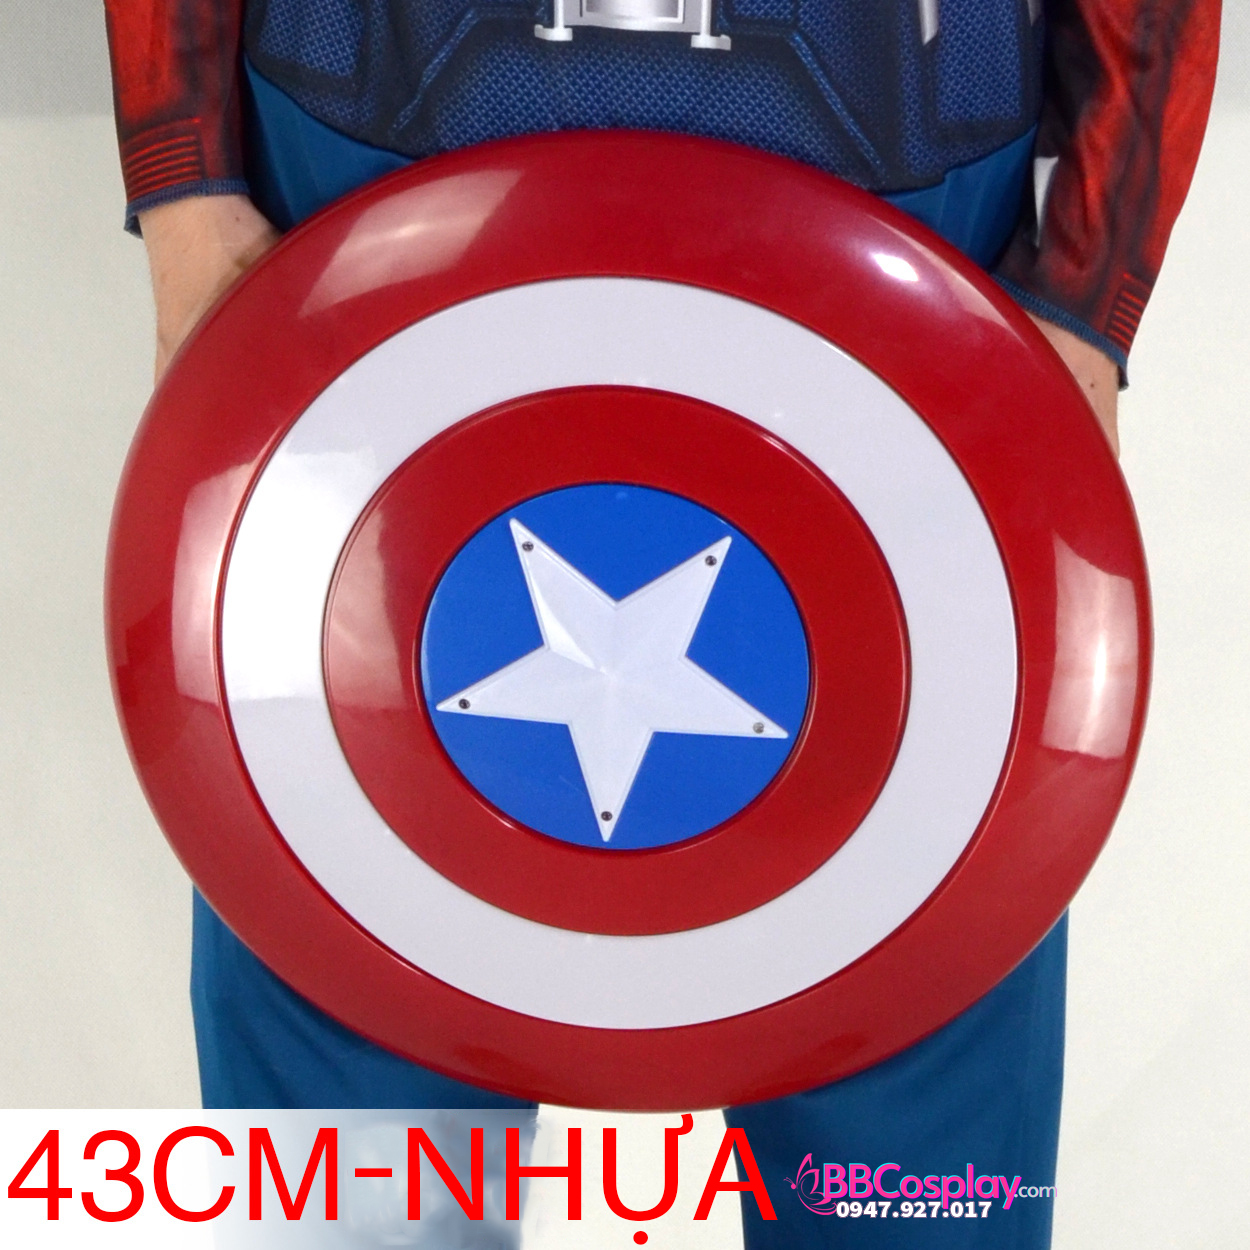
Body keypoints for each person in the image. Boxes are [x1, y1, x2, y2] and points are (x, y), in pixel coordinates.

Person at [103, 2, 1220, 1246]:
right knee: (348, 1012)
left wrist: (1086, 302)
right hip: (372, 157)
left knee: (914, 992)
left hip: (900, 185)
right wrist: (184, 187)